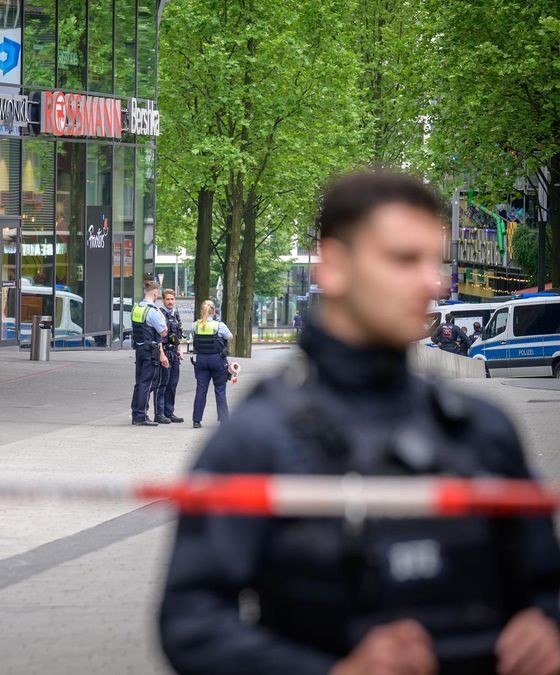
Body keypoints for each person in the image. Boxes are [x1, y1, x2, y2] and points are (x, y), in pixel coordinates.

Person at [159, 170, 560, 675]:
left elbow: (547, 582)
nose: (432, 282)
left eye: (433, 261)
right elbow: (190, 623)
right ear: (333, 266)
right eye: (402, 259)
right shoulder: (257, 440)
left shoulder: (483, 429)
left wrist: (547, 624)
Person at [130, 281, 170, 426]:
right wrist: (162, 318)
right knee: (147, 383)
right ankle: (141, 415)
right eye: (157, 293)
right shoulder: (152, 311)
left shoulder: (137, 308)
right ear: (154, 293)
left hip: (139, 349)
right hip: (150, 352)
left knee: (139, 382)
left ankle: (136, 412)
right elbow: (163, 331)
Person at [190, 300, 231, 429]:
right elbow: (229, 337)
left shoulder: (195, 325)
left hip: (201, 359)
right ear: (213, 311)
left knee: (201, 390)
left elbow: (193, 337)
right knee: (220, 390)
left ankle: (196, 420)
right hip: (217, 360)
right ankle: (224, 420)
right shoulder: (219, 325)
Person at [159, 289, 185, 424]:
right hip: (164, 352)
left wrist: (179, 349)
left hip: (174, 352)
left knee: (173, 384)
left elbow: (177, 335)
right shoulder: (160, 314)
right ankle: (160, 413)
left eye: (172, 299)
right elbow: (158, 336)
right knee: (163, 383)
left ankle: (169, 412)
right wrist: (161, 354)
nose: (170, 302)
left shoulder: (175, 314)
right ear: (163, 300)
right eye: (167, 299)